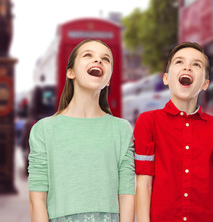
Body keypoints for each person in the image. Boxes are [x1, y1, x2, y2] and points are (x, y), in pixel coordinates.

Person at [28, 39, 135, 222]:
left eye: (105, 59)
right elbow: (37, 200)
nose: (98, 61)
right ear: (71, 73)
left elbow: (126, 196)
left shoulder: (122, 130)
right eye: (88, 55)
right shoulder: (43, 130)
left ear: (108, 79)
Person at [134, 42, 213, 222]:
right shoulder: (148, 122)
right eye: (179, 62)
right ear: (165, 78)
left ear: (205, 84)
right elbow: (144, 183)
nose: (187, 66)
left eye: (196, 64)